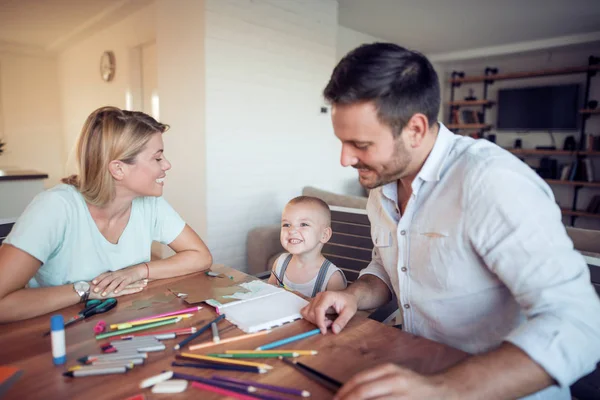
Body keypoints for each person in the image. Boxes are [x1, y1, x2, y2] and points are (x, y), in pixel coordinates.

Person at [301, 43, 600, 400]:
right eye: (342, 142)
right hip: (415, 370)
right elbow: (386, 267)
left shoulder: (492, 181)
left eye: (360, 144)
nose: (345, 158)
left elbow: (579, 324)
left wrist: (442, 389)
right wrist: (352, 295)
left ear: (414, 129)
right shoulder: (382, 187)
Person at [0, 106, 212, 323]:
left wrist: (138, 271)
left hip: (120, 323)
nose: (167, 165)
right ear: (118, 169)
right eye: (157, 158)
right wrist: (86, 290)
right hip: (50, 335)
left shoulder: (150, 203)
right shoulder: (55, 207)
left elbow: (200, 256)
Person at [267, 196, 347, 297]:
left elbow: (336, 311)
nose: (291, 230)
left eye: (303, 224)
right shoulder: (280, 263)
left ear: (324, 235)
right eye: (286, 225)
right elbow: (268, 295)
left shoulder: (332, 277)